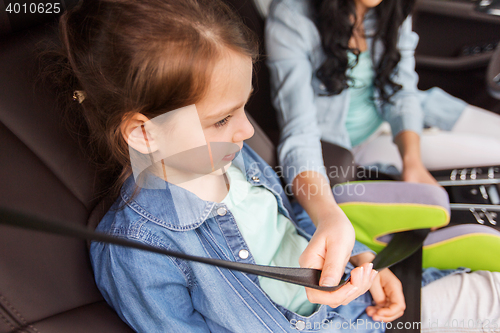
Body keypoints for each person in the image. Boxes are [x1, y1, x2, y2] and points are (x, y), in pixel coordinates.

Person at [49, 0, 499, 332]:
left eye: (244, 108)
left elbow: (292, 225)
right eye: (223, 118)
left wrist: (363, 260)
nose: (247, 130)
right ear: (145, 133)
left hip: (360, 304)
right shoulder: (140, 251)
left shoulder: (233, 158)